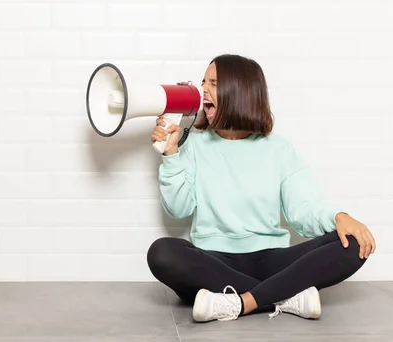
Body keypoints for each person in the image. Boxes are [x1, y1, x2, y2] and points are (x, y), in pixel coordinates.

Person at [146, 54, 375, 323]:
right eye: (203, 81)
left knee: (353, 244)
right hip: (213, 261)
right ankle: (284, 296)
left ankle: (240, 301)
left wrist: (339, 217)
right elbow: (178, 209)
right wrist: (171, 155)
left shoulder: (278, 149)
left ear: (240, 92)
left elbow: (303, 211)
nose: (202, 90)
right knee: (162, 253)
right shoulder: (193, 145)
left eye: (214, 83)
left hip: (271, 261)